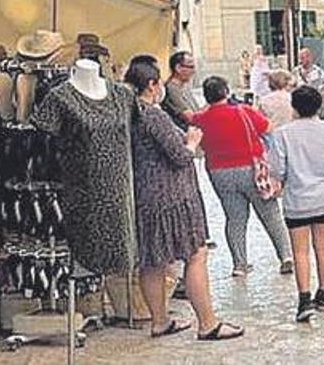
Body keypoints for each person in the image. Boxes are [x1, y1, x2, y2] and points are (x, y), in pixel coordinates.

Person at [124, 63, 243, 341]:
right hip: (173, 197)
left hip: (145, 196)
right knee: (195, 254)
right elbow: (179, 155)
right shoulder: (153, 115)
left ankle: (160, 321)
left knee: (152, 260)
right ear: (153, 85)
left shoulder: (130, 115)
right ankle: (208, 323)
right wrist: (191, 141)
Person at [192, 76, 293, 277]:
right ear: (226, 92)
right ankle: (286, 256)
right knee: (270, 213)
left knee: (235, 218)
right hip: (251, 168)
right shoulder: (243, 111)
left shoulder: (201, 119)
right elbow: (268, 129)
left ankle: (240, 264)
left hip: (219, 172)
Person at [267, 87, 324, 322]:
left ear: (294, 107)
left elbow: (277, 169)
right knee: (323, 247)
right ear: (319, 106)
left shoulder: (283, 134)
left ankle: (304, 299)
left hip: (297, 199)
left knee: (300, 251)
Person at [162, 52, 201, 131]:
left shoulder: (184, 88)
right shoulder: (172, 90)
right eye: (191, 67)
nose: (193, 71)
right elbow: (190, 118)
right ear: (178, 68)